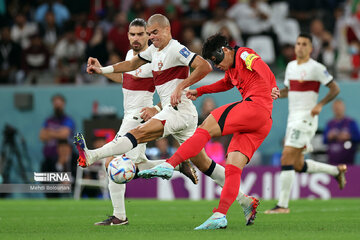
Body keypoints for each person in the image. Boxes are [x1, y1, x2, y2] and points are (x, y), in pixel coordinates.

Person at [75, 14, 260, 226]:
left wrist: (182, 86)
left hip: (177, 112)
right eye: (149, 33)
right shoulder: (153, 51)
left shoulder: (176, 48)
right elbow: (131, 64)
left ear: (167, 30)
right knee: (205, 164)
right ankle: (245, 200)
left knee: (138, 133)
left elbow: (205, 67)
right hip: (178, 114)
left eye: (154, 32)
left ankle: (92, 156)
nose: (151, 36)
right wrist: (102, 69)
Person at [138, 33, 279, 230]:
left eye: (215, 59)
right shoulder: (232, 69)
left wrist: (273, 85)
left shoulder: (243, 54)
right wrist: (200, 91)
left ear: (226, 50)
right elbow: (224, 84)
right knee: (232, 168)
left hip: (255, 107)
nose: (215, 65)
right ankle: (221, 215)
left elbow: (261, 66)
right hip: (262, 123)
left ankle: (169, 165)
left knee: (205, 128)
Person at [83, 18, 198, 226]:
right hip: (129, 113)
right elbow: (126, 79)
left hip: (139, 116)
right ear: (127, 36)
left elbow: (167, 89)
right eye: (132, 34)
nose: (136, 38)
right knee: (137, 165)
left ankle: (119, 216)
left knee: (113, 164)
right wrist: (103, 70)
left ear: (149, 35)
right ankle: (178, 166)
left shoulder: (153, 58)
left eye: (141, 34)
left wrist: (155, 109)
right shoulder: (130, 55)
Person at [264, 33, 345, 214]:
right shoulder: (291, 66)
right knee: (298, 165)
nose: (299, 47)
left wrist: (320, 104)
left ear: (310, 48)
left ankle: (282, 206)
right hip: (293, 118)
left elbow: (335, 88)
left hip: (306, 118)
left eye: (304, 44)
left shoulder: (316, 68)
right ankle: (336, 171)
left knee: (286, 157)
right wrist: (276, 94)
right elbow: (289, 90)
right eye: (298, 44)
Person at [40, 94, 75, 162]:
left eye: (59, 104)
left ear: (63, 104)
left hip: (62, 157)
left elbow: (64, 134)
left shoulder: (68, 120)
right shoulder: (49, 120)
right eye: (55, 104)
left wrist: (49, 132)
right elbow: (42, 136)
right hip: (48, 156)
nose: (57, 106)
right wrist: (58, 132)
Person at [324, 99, 360, 165]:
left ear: (344, 108)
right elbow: (324, 140)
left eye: (339, 108)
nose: (337, 110)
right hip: (332, 161)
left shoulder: (351, 122)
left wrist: (349, 136)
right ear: (333, 109)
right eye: (336, 108)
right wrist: (329, 136)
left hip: (348, 161)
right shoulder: (330, 123)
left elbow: (358, 137)